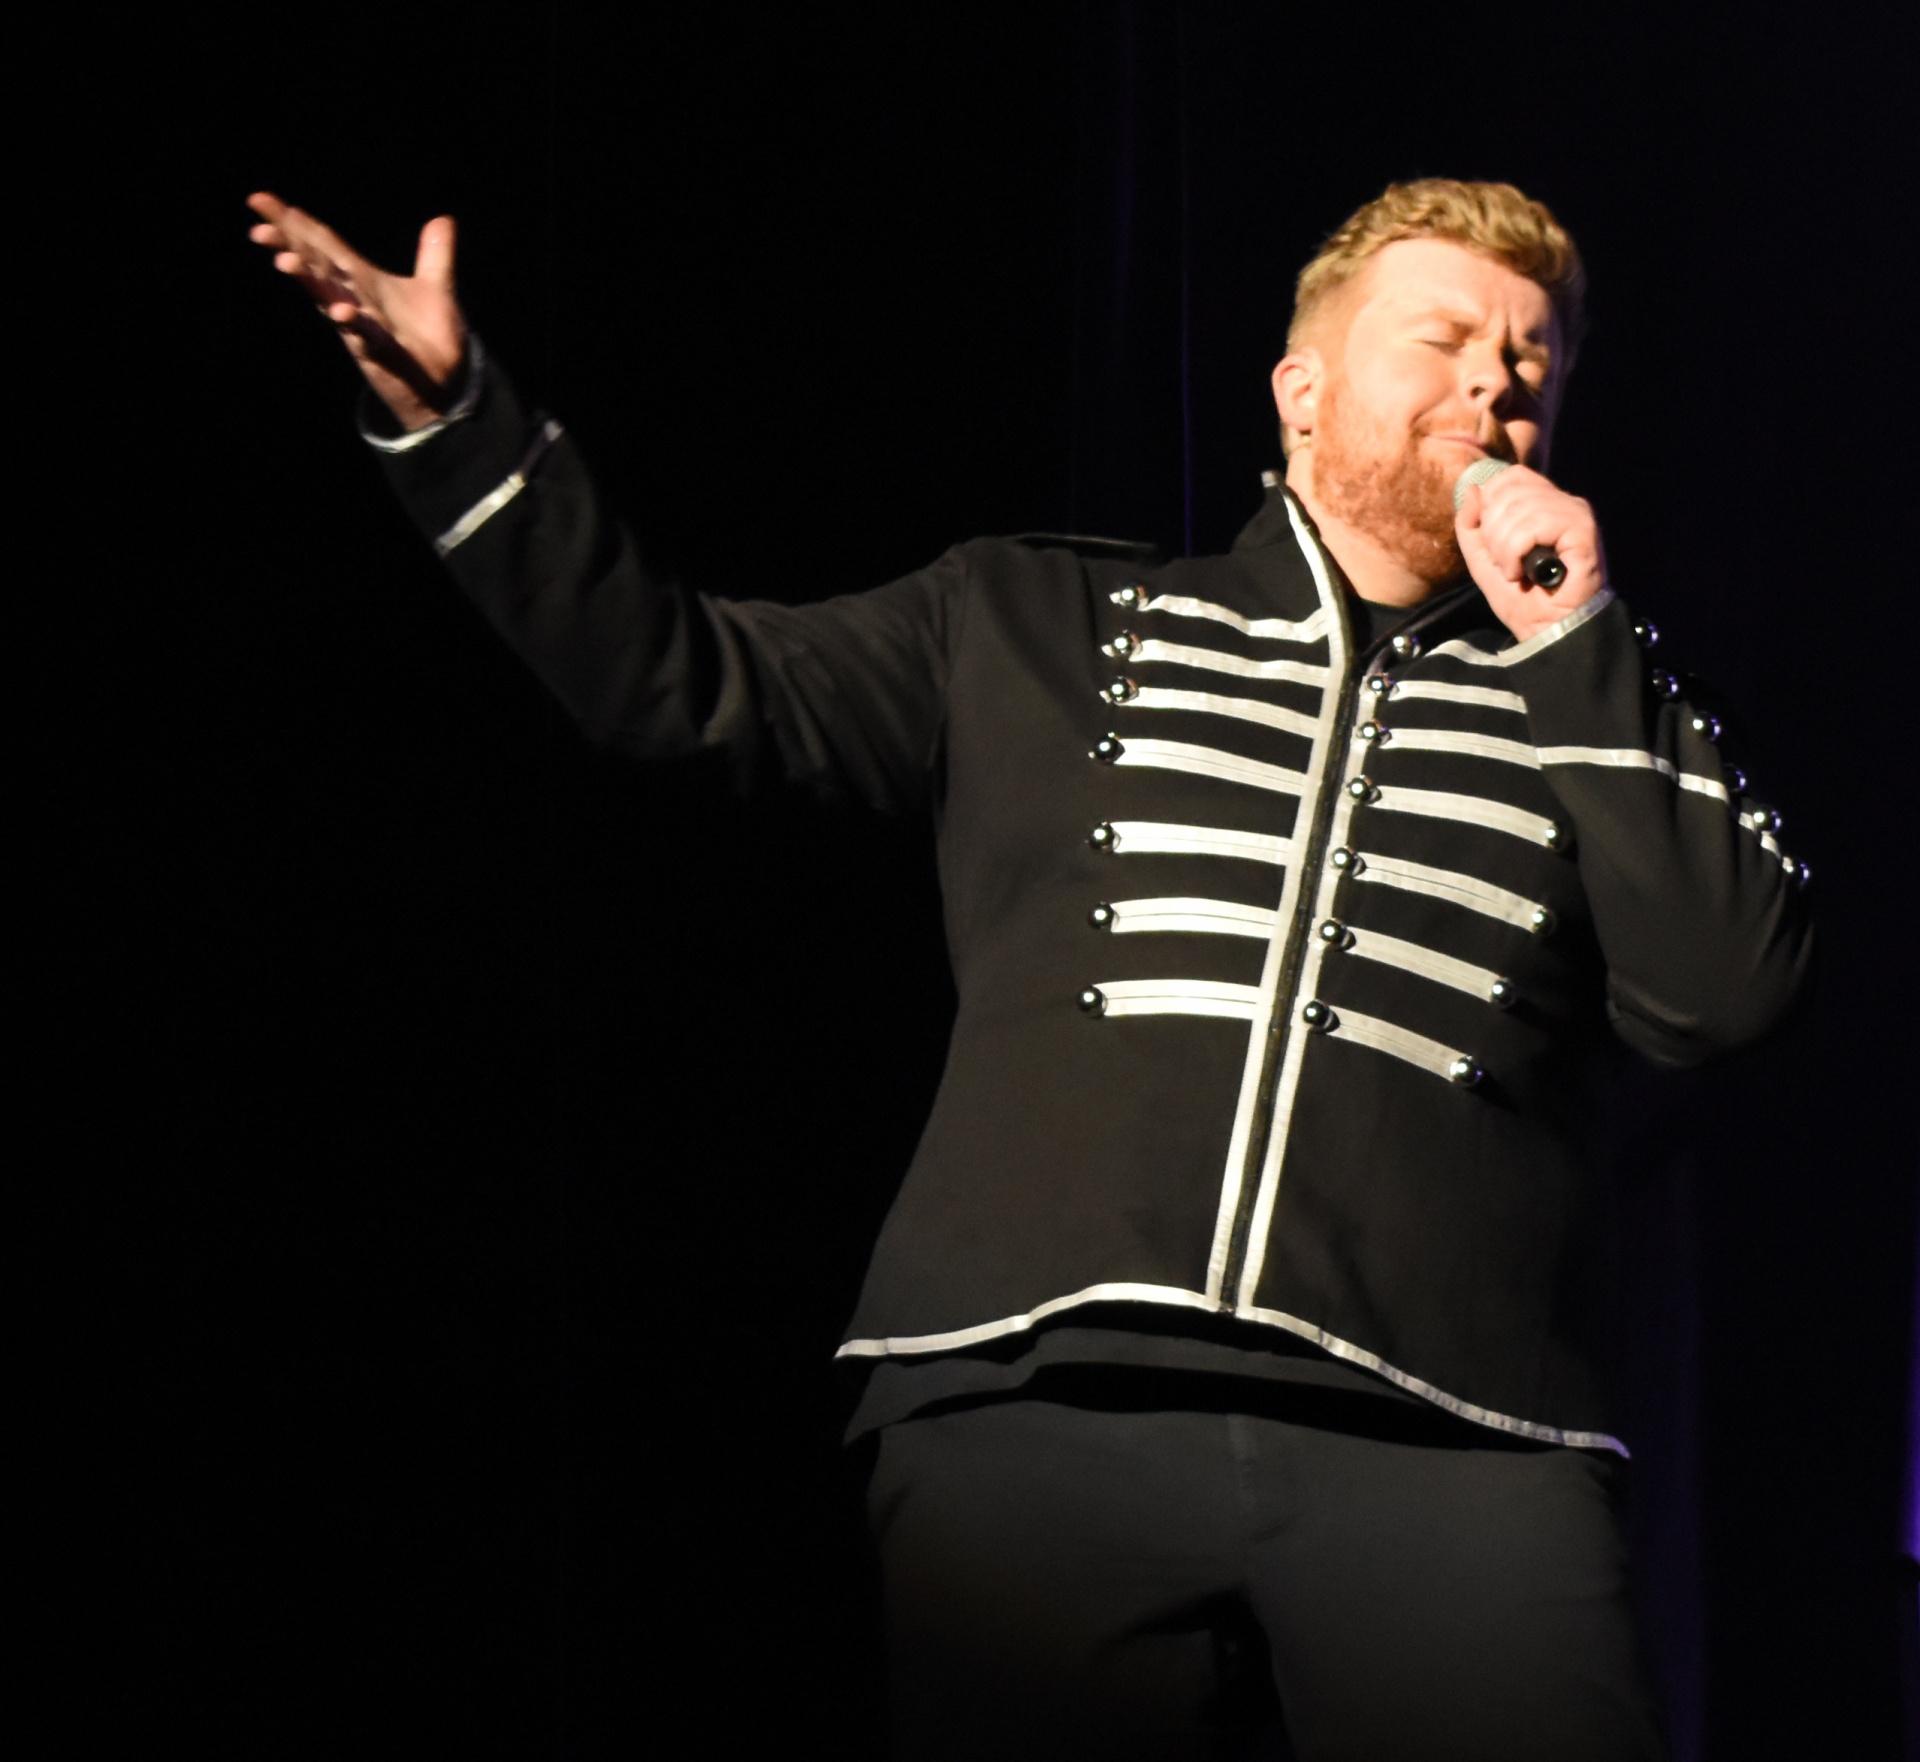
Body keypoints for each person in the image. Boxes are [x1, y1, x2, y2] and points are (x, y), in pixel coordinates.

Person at [247, 177, 1811, 1760]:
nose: (1495, 383)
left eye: (1532, 360)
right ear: (1303, 388)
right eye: (1447, 337)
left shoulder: (1599, 709)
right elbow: (679, 681)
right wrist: (464, 430)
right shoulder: (1034, 618)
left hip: (1460, 1427)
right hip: (1037, 1393)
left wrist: (1581, 639)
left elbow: (1728, 988)